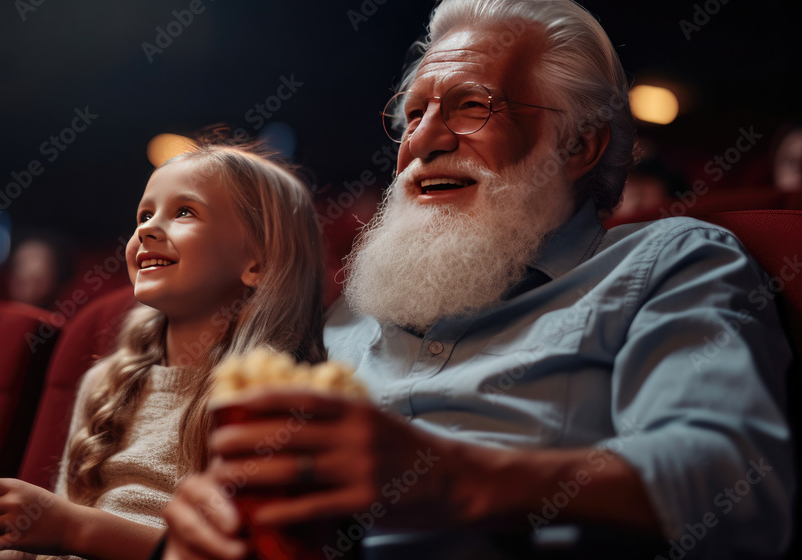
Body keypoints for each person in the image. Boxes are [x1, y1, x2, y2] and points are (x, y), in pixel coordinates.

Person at [160, 1, 795, 559]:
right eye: (412, 115)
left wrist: (456, 478)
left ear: (578, 146)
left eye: (471, 106)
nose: (425, 140)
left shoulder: (666, 262)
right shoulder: (347, 317)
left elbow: (739, 484)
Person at [0, 143, 326, 559]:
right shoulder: (107, 381)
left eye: (184, 212)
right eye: (144, 215)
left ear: (258, 262)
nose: (148, 229)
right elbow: (54, 537)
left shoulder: (272, 398)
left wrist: (70, 528)